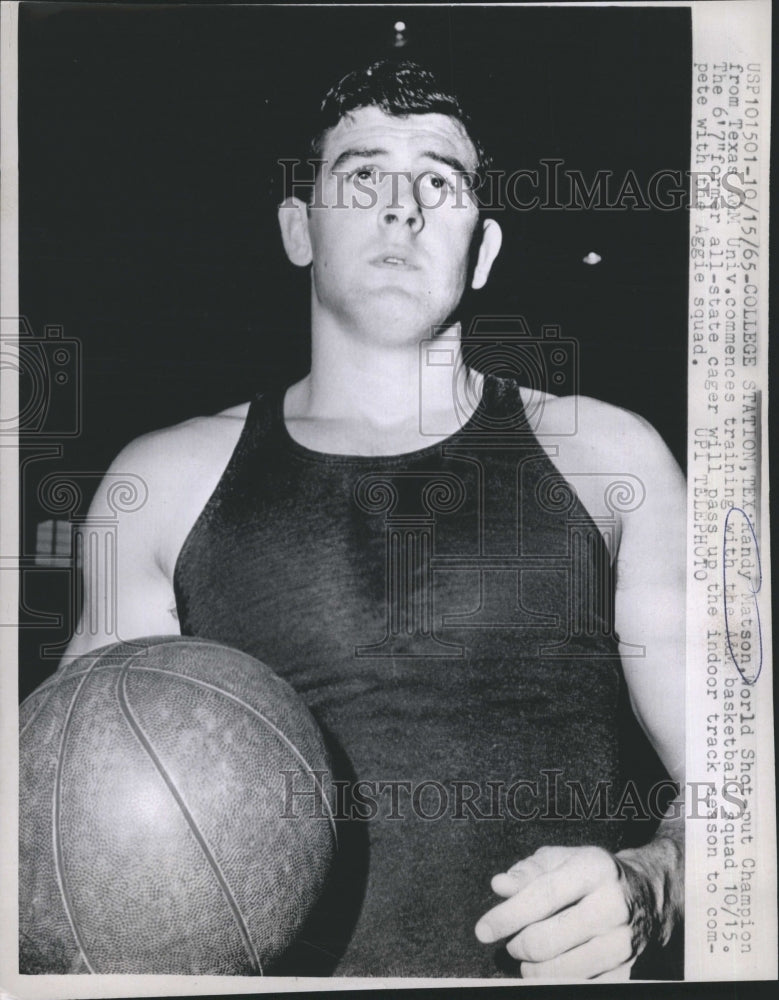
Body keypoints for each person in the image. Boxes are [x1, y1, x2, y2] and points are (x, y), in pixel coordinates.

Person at [61, 60, 685, 979]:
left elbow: (743, 789)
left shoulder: (610, 458)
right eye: (360, 175)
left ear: (481, 249)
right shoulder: (160, 483)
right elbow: (64, 815)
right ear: (297, 228)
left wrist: (652, 883)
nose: (402, 208)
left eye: (439, 179)